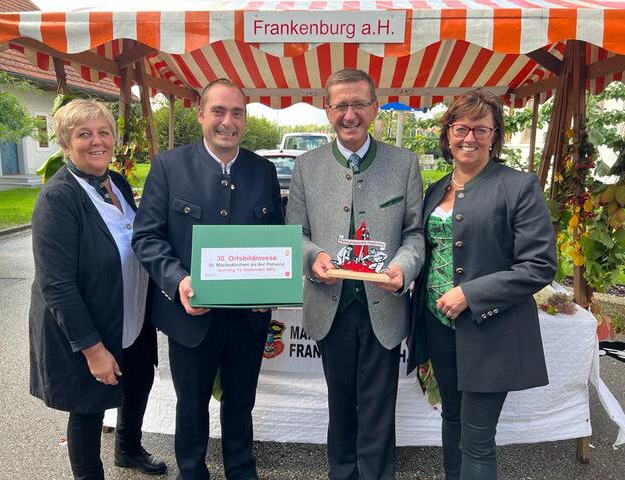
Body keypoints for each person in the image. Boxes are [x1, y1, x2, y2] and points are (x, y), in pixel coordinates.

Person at [132, 78, 283, 480]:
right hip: (189, 315)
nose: (227, 121)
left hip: (247, 317)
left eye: (237, 112)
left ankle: (240, 468)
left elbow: (276, 239)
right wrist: (179, 281)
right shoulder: (168, 166)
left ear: (245, 119)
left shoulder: (263, 170)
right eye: (218, 111)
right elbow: (147, 238)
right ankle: (192, 470)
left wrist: (270, 283)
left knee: (240, 402)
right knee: (191, 404)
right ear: (200, 114)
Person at [408, 89, 557, 479]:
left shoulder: (518, 186)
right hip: (436, 327)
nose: (469, 138)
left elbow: (539, 266)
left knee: (477, 439)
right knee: (452, 421)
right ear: (447, 133)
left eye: (480, 129)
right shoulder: (435, 188)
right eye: (461, 128)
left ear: (495, 134)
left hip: (489, 330)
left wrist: (470, 295)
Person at [286, 69, 425, 479]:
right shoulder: (306, 166)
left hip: (383, 307)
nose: (350, 114)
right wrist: (312, 258)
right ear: (327, 110)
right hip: (331, 307)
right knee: (340, 402)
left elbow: (414, 234)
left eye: (359, 104)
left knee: (380, 407)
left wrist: (404, 266)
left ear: (375, 108)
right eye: (341, 105)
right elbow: (296, 233)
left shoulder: (404, 163)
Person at [29, 99, 166, 479]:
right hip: (87, 324)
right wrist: (93, 350)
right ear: (65, 143)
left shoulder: (116, 182)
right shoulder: (59, 198)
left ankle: (128, 449)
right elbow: (56, 285)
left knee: (139, 382)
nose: (96, 141)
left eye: (103, 132)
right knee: (88, 407)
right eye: (84, 134)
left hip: (130, 313)